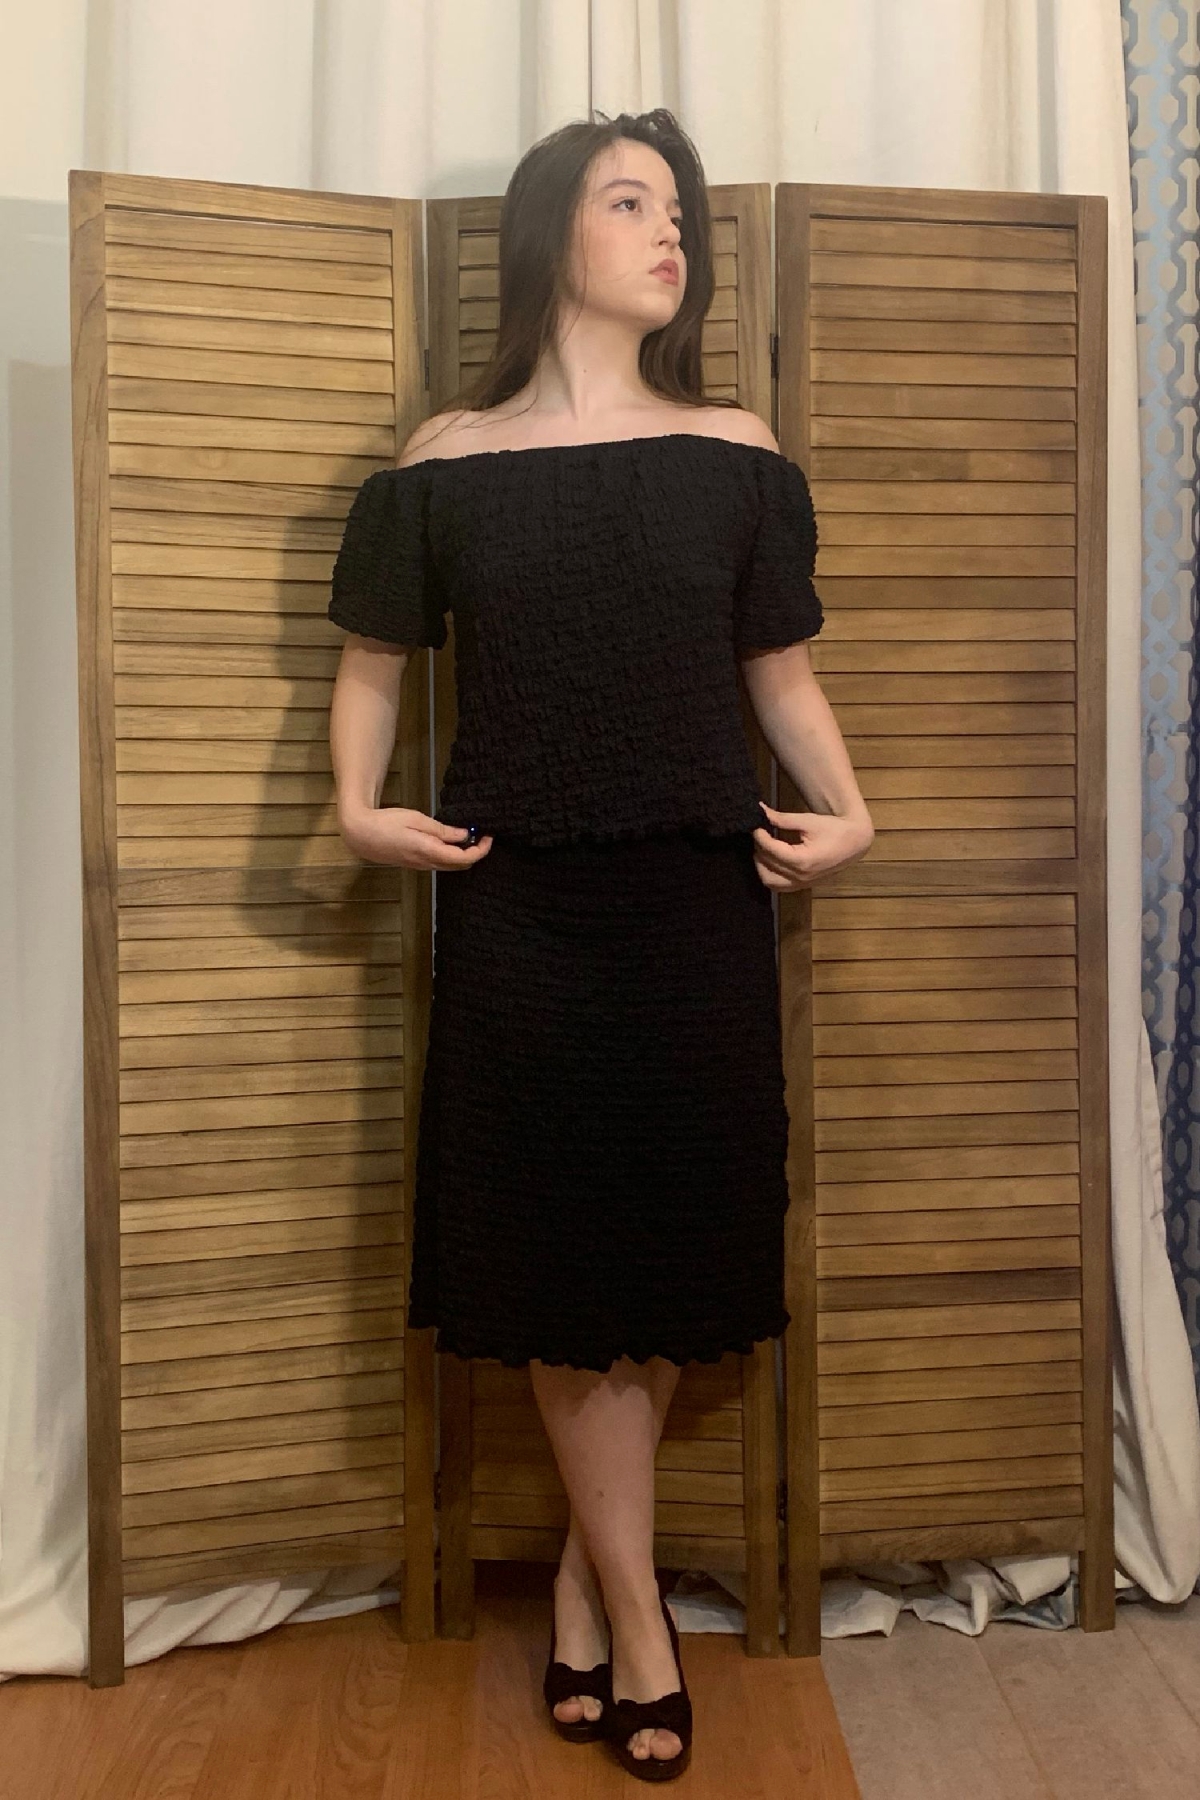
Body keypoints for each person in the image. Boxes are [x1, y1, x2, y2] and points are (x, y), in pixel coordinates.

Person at [326, 107, 873, 1782]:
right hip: (523, 915)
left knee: (672, 1251)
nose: (668, 232)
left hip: (698, 902)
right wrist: (356, 809)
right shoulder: (442, 461)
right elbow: (373, 662)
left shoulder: (735, 448)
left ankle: (585, 1581)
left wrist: (853, 809)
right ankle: (639, 1621)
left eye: (678, 209)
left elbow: (779, 672)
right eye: (630, 202)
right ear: (549, 230)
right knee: (562, 1267)